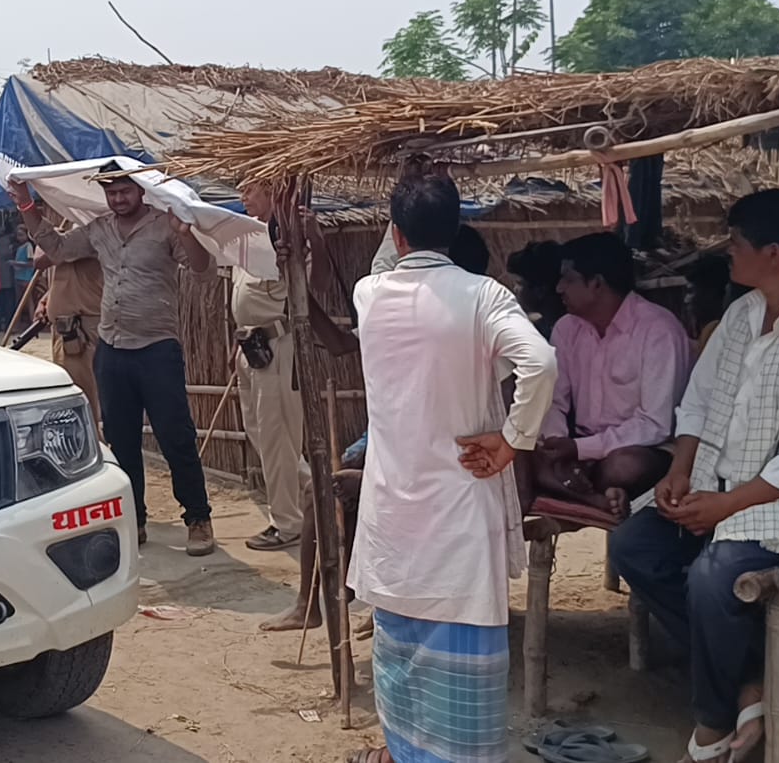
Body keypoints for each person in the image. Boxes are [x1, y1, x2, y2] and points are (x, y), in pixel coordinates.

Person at [609, 189, 779, 763]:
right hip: (729, 480)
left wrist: (725, 506)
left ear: (774, 253)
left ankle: (712, 725)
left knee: (716, 575)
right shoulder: (741, 315)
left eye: (736, 243)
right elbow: (699, 402)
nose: (727, 252)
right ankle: (749, 680)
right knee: (634, 544)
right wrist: (681, 471)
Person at [344, 172, 555, 763]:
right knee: (461, 671)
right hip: (462, 507)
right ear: (458, 229)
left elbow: (387, 264)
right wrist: (512, 441)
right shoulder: (484, 296)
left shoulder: (368, 294)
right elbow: (540, 363)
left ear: (395, 233)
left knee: (399, 656)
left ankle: (402, 752)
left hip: (393, 514)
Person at [261, 223, 490, 633]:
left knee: (379, 498)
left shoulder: (466, 329)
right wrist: (296, 286)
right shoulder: (403, 314)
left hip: (432, 453)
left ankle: (385, 604)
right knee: (320, 491)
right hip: (390, 439)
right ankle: (309, 603)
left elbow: (436, 437)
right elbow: (339, 343)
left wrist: (369, 477)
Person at [7, 163, 218, 556]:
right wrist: (25, 206)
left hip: (156, 347)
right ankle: (134, 520)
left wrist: (186, 235)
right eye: (112, 193)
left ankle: (198, 518)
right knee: (121, 441)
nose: (118, 199)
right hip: (112, 348)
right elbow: (57, 249)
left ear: (140, 190)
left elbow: (204, 272)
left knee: (176, 437)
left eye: (124, 191)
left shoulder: (165, 226)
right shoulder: (99, 229)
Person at [518, 232, 692, 525]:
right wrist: (557, 444)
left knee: (623, 467)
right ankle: (596, 497)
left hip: (646, 448)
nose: (559, 288)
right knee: (521, 458)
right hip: (579, 447)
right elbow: (554, 400)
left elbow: (656, 425)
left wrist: (580, 449)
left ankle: (580, 487)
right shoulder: (566, 328)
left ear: (596, 283)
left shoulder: (658, 330)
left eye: (568, 279)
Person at [229, 182, 313, 551]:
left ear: (270, 193)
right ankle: (316, 492)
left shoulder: (289, 240)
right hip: (250, 346)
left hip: (276, 346)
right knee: (260, 433)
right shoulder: (247, 237)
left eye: (250, 190)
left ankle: (288, 523)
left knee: (277, 436)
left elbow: (307, 286)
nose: (243, 197)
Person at [33, 213, 105, 421]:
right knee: (74, 403)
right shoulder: (71, 226)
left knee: (91, 404)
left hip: (87, 331)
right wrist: (49, 298)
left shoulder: (95, 230)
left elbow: (41, 258)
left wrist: (52, 236)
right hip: (65, 330)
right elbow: (70, 274)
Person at [505, 240, 567, 339]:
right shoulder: (541, 326)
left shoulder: (564, 333)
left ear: (540, 290)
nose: (515, 289)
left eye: (519, 284)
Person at [12, 225, 37, 329]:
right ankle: (18, 325)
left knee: (28, 301)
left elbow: (31, 263)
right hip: (19, 277)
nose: (19, 237)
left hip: (25, 277)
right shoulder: (20, 247)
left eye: (21, 235)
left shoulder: (28, 246)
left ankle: (33, 323)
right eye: (18, 235)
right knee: (19, 302)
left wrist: (16, 263)